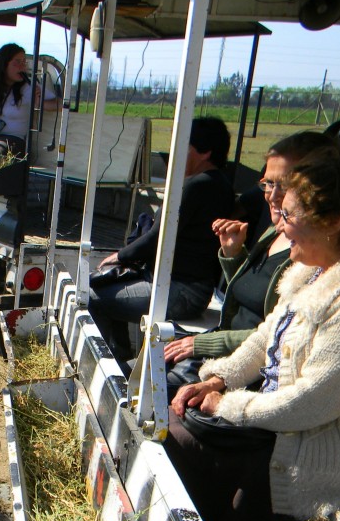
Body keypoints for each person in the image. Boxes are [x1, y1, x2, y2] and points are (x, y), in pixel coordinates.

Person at [165, 154, 340, 521]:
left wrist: (227, 404)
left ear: (333, 222)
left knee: (178, 439)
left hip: (336, 460)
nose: (279, 224)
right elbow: (267, 336)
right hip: (282, 429)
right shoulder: (323, 265)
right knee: (172, 423)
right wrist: (218, 378)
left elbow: (313, 401)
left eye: (290, 214)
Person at [163, 131, 338, 390]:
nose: (274, 195)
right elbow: (247, 297)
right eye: (268, 184)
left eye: (286, 184)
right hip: (223, 347)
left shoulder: (310, 253)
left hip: (246, 370)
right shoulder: (275, 229)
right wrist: (234, 255)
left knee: (151, 386)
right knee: (140, 369)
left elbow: (277, 334)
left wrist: (201, 345)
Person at [88, 117, 235, 363]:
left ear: (205, 152)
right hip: (189, 289)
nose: (176, 155)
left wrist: (120, 256)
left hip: (180, 292)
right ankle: (121, 354)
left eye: (184, 148)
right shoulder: (219, 184)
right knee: (106, 289)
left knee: (92, 297)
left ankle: (108, 362)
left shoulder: (197, 186)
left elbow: (160, 237)